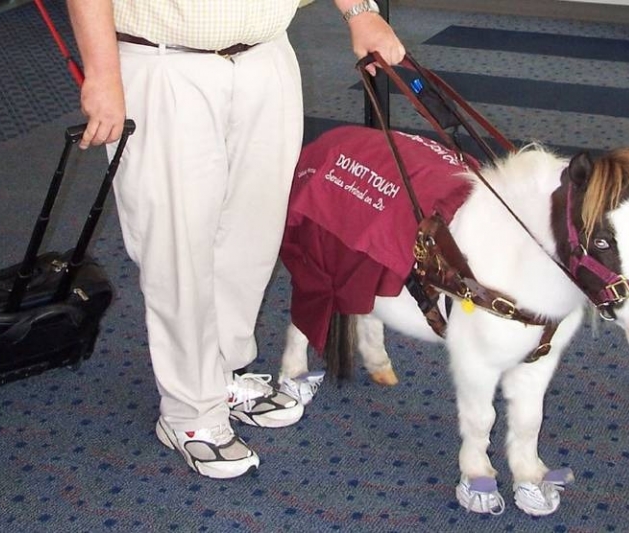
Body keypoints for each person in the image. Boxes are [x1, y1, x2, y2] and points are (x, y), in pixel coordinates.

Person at [65, 0, 405, 479]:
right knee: (176, 244)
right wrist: (102, 73)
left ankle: (220, 372)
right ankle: (190, 411)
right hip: (165, 63)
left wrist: (359, 12)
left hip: (265, 58)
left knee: (254, 231)